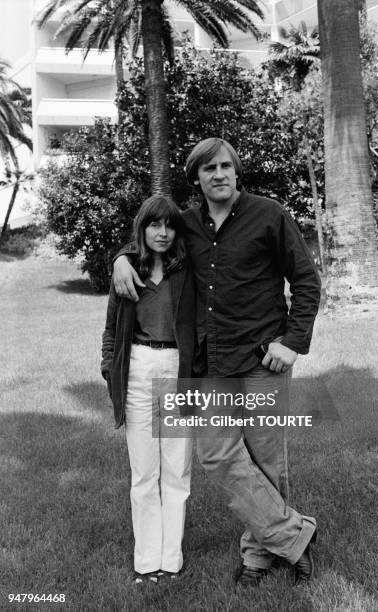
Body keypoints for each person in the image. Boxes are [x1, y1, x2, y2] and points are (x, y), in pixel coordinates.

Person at [112, 138, 322, 587]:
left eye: (227, 166)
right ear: (197, 178)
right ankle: (295, 535)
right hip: (209, 363)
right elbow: (151, 241)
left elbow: (306, 280)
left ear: (237, 171)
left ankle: (257, 555)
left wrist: (292, 342)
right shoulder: (186, 225)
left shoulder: (269, 214)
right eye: (209, 169)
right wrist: (120, 260)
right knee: (215, 454)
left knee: (266, 459)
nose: (220, 174)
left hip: (265, 359)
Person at [101, 195, 195, 584]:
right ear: (142, 229)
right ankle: (146, 563)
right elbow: (110, 330)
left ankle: (170, 561)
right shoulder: (127, 271)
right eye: (154, 225)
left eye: (169, 225)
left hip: (176, 369)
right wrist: (111, 369)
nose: (162, 232)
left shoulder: (188, 271)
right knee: (144, 474)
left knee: (176, 471)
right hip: (139, 367)